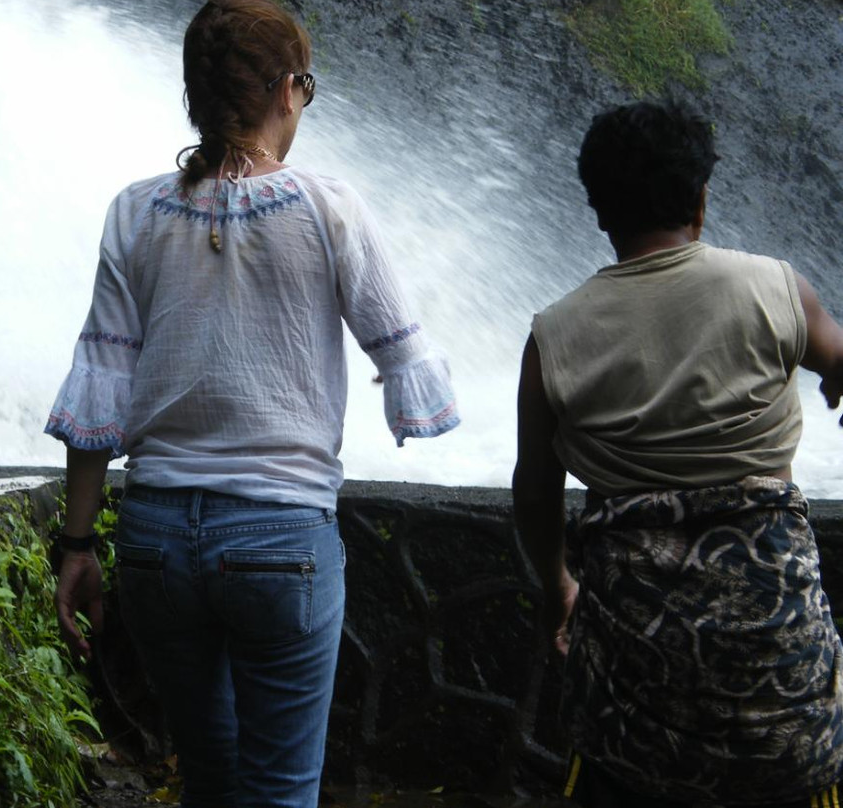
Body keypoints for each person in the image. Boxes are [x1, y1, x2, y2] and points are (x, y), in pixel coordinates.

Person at [43, 2, 459, 806]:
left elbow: (101, 383)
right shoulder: (327, 206)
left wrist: (77, 542)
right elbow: (402, 351)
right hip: (281, 540)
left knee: (209, 777)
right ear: (286, 93)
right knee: (279, 790)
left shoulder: (134, 212)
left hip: (157, 541)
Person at [513, 100, 843, 808]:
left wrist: (557, 586)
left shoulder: (553, 337)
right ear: (701, 198)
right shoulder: (776, 288)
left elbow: (536, 494)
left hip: (639, 709)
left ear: (599, 210)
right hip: (780, 688)